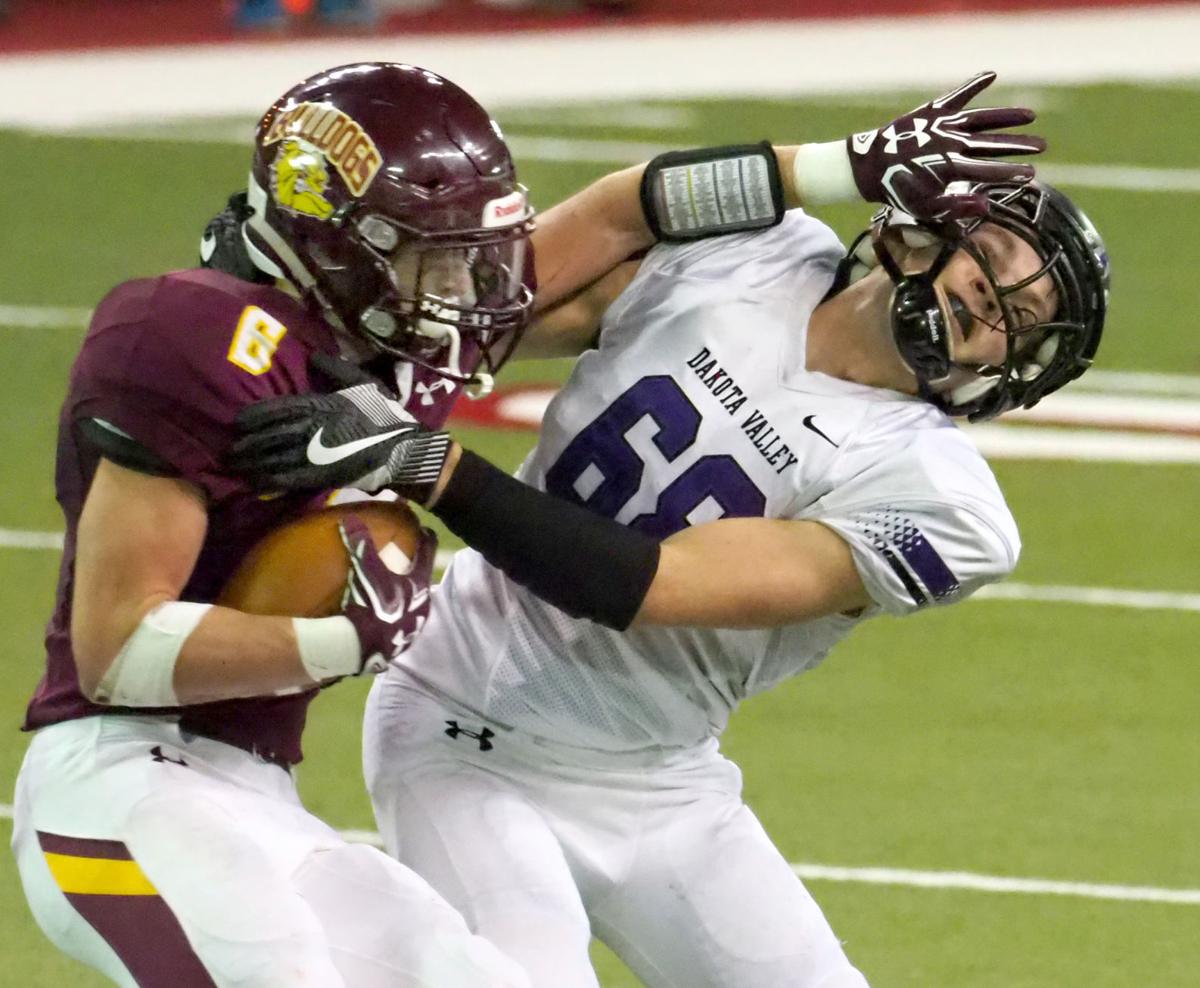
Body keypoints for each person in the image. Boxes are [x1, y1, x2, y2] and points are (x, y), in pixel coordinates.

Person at [224, 76, 1101, 986]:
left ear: (1017, 368)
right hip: (463, 722)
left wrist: (421, 461)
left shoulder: (939, 498)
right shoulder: (755, 250)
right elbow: (497, 295)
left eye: (1026, 319)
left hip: (660, 779)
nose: (997, 302)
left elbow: (643, 587)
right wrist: (277, 285)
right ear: (927, 224)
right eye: (993, 258)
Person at [9, 59, 713, 988]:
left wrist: (840, 168)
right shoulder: (188, 333)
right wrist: (344, 640)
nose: (467, 285)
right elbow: (117, 653)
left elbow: (625, 218)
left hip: (252, 790)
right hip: (119, 781)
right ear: (337, 243)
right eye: (435, 254)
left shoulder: (387, 346)